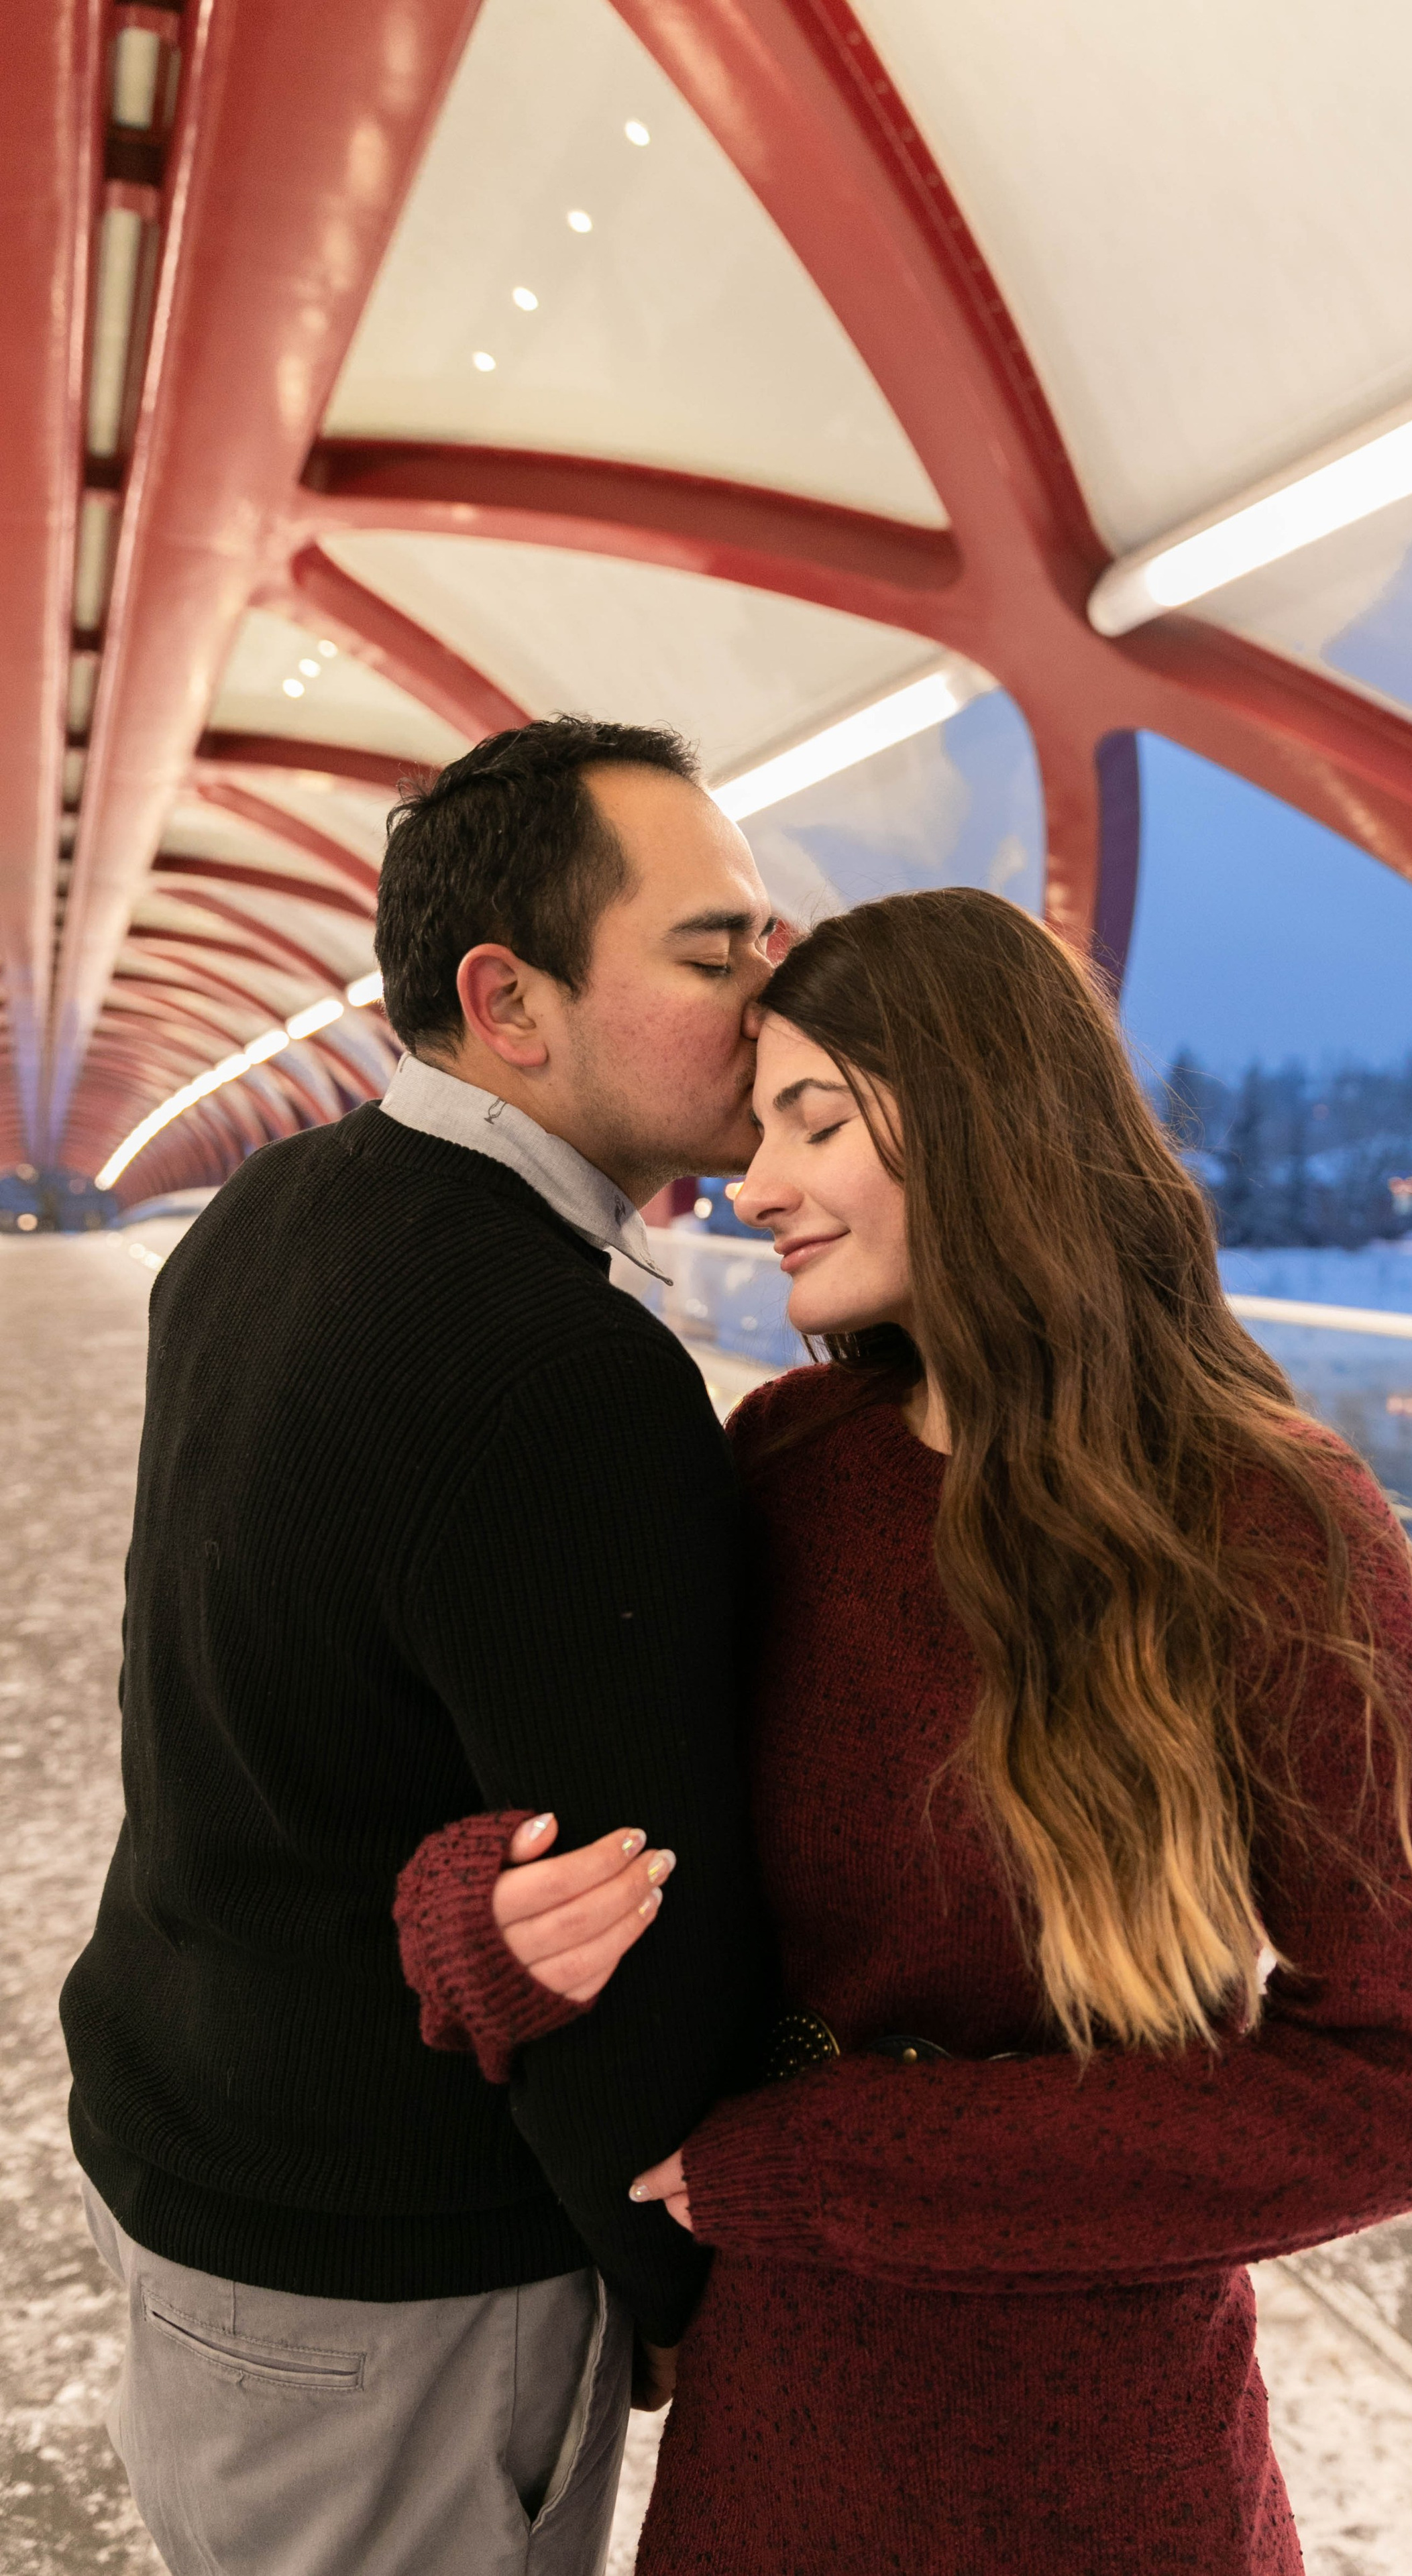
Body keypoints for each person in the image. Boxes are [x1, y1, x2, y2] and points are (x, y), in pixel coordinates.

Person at [401, 885, 1412, 2575]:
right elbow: (606, 1809)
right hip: (773, 2440)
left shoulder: (1268, 1521)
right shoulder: (785, 1460)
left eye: (814, 1120)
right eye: (755, 1123)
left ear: (987, 1113)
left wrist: (846, 2160)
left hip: (1105, 2464)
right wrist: (481, 1917)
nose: (751, 1183)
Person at [60, 716, 778, 2576]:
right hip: (392, 2273)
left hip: (192, 2139)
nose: (775, 995)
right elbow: (628, 1908)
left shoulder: (273, 1212)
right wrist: (682, 2283)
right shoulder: (559, 1365)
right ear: (508, 999)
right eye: (716, 951)